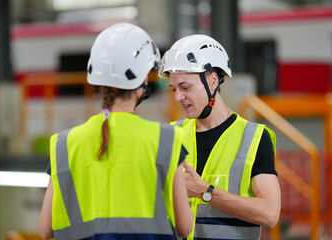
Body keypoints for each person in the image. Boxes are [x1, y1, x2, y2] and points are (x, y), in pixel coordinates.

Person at [38, 23, 194, 240]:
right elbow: (185, 227)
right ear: (141, 81)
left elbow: (45, 230)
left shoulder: (63, 144)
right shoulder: (166, 139)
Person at [158, 34, 281, 240]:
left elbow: (269, 214)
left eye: (185, 88)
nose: (179, 97)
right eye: (174, 89)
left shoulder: (253, 138)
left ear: (213, 81)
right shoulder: (170, 135)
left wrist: (204, 191)